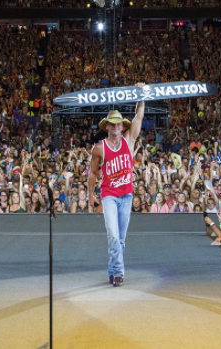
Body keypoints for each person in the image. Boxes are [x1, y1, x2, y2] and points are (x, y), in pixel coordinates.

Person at [88, 84, 145, 287]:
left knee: (120, 239)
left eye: (118, 124)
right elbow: (93, 173)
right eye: (112, 124)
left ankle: (112, 270)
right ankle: (119, 273)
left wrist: (141, 96)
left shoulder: (129, 140)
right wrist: (90, 195)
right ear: (108, 127)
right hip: (109, 195)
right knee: (112, 234)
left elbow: (138, 117)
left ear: (122, 125)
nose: (115, 127)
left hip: (126, 195)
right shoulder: (99, 148)